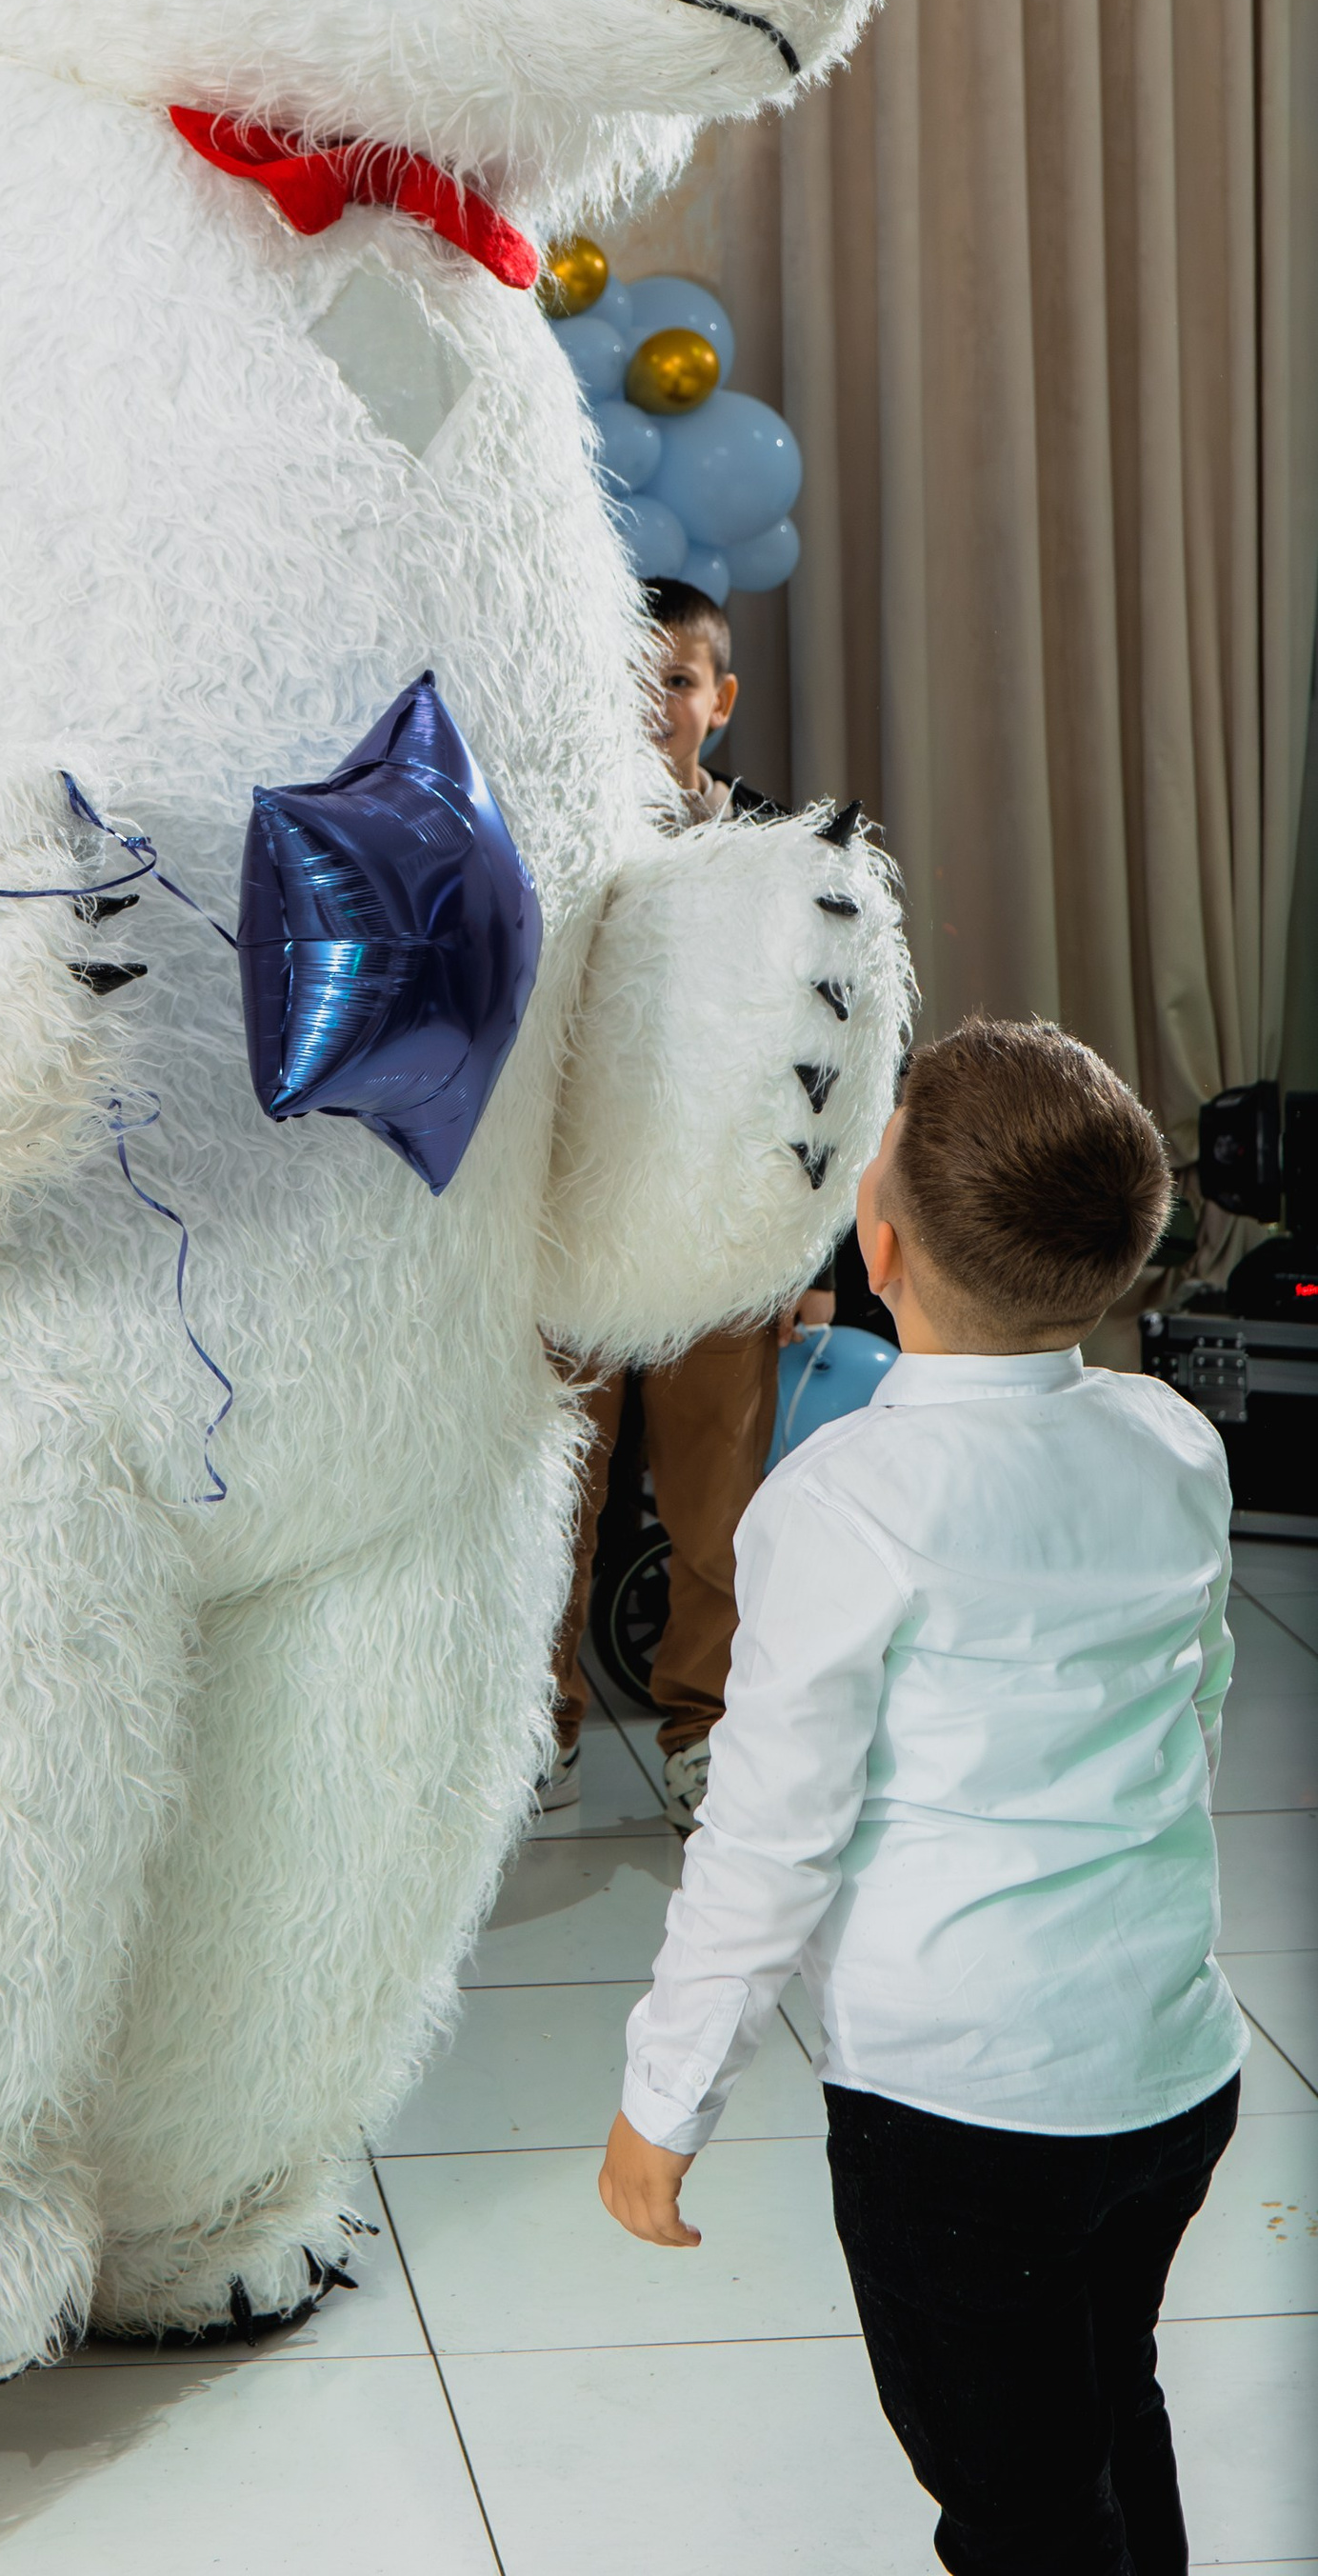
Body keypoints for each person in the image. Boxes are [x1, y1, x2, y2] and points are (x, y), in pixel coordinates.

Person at [600, 1017, 1242, 2576]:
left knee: (1016, 2507)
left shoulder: (844, 1503)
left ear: (874, 1247)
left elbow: (769, 1838)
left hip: (965, 2115)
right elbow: (1198, 1702)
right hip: (1167, 2071)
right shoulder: (1173, 1443)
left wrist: (663, 2102)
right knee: (1104, 2401)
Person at [544, 576, 799, 1829]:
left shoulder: (778, 863)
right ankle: (537, 1728)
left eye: (680, 680)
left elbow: (813, 1067)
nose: (657, 704)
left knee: (717, 1511)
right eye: (631, 681)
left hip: (712, 1235)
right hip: (578, 1228)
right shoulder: (549, 846)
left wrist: (803, 1254)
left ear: (723, 700)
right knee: (553, 1498)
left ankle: (704, 1726)